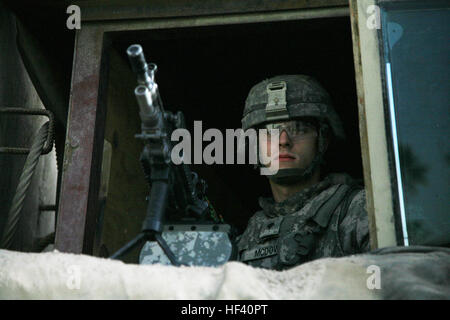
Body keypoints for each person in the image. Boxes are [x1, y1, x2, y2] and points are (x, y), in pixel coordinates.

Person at [236, 75, 370, 270]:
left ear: (322, 139)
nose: (283, 140)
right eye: (270, 131)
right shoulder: (250, 232)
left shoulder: (359, 211)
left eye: (298, 129)